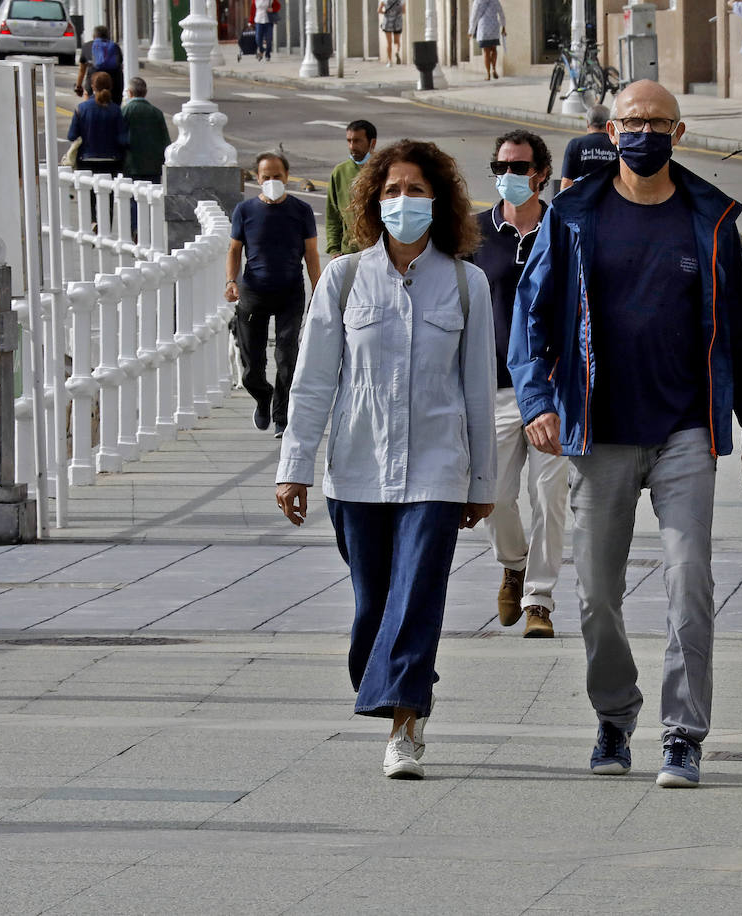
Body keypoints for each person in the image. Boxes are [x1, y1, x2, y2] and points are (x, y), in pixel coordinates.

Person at [510, 80, 742, 789]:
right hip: (601, 433)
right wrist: (538, 397)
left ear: (679, 132)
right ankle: (614, 714)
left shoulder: (709, 220)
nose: (644, 132)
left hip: (686, 429)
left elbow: (741, 331)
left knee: (691, 579)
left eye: (658, 121)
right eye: (632, 121)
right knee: (597, 595)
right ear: (612, 130)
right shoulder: (573, 218)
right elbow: (529, 321)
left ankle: (683, 734)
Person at [275, 139, 496, 780]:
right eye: (392, 190)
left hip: (437, 466)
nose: (404, 201)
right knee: (374, 602)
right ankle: (391, 689)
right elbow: (314, 381)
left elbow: (479, 387)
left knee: (418, 594)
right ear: (372, 200)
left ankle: (406, 725)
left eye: (416, 190)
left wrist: (482, 479)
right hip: (358, 468)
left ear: (439, 201)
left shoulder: (465, 282)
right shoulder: (343, 278)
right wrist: (294, 467)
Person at [471, 130, 566, 639]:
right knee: (498, 495)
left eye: (519, 166)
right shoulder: (472, 234)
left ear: (541, 173)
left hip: (553, 390)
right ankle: (513, 564)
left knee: (549, 494)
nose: (508, 175)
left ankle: (539, 600)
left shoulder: (564, 229)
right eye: (501, 165)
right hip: (496, 388)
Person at [224, 153, 321, 437]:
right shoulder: (245, 211)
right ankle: (263, 396)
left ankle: (281, 415)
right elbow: (234, 249)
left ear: (287, 177)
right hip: (253, 291)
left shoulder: (301, 210)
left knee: (287, 356)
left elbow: (312, 253)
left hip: (290, 292)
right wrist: (231, 280)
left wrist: (319, 288)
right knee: (252, 364)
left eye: (278, 176)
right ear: (257, 178)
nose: (272, 181)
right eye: (266, 176)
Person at [67, 71, 127, 224]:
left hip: (87, 159)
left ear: (92, 86)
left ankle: (93, 222)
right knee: (108, 195)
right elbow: (122, 139)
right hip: (111, 161)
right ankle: (105, 225)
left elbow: (71, 135)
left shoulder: (82, 108)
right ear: (111, 87)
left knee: (89, 196)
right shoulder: (115, 110)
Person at [120, 77, 170, 230]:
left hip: (132, 164)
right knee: (151, 200)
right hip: (153, 165)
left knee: (134, 199)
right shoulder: (156, 113)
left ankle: (137, 229)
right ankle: (150, 229)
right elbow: (165, 141)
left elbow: (119, 137)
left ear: (129, 92)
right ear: (146, 92)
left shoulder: (125, 111)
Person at [327, 120, 377, 258]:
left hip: (377, 252)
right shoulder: (340, 172)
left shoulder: (382, 170)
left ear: (372, 143)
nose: (352, 146)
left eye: (357, 141)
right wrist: (334, 249)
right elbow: (333, 214)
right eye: (349, 141)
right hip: (348, 253)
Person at [560, 105, 618, 191]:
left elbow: (566, 182)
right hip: (611, 199)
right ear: (609, 124)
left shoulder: (576, 144)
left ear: (588, 123)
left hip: (583, 200)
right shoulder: (616, 144)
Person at [74, 24, 122, 99]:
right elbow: (120, 65)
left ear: (94, 35)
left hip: (93, 86)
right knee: (115, 107)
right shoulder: (115, 47)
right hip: (114, 85)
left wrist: (78, 86)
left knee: (89, 106)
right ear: (108, 35)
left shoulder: (87, 46)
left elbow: (82, 70)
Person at [469, 0, 505, 81]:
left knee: (486, 52)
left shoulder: (478, 2)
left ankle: (488, 74)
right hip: (494, 27)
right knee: (494, 49)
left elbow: (474, 16)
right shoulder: (495, 1)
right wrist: (503, 26)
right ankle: (494, 69)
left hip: (483, 28)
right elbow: (501, 13)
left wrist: (471, 30)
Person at [379, 0, 403, 66]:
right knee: (397, 41)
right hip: (397, 23)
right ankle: (397, 52)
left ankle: (389, 61)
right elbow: (403, 11)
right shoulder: (401, 1)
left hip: (387, 23)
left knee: (389, 42)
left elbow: (379, 10)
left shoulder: (384, 1)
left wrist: (386, 12)